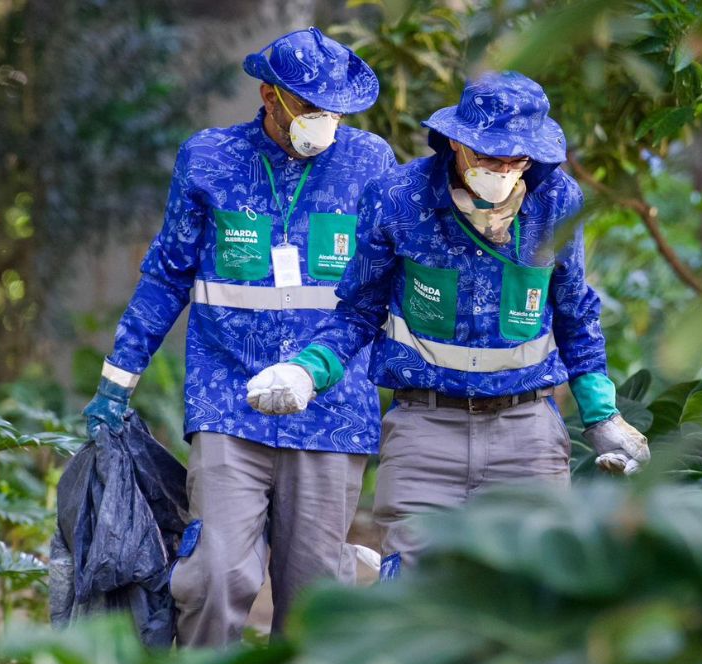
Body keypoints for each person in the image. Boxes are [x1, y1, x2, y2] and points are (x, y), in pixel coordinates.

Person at [246, 72, 650, 568]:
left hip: (525, 431)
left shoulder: (556, 201)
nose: (502, 170)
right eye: (487, 156)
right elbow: (358, 312)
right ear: (457, 142)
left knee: (529, 594)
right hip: (425, 429)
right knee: (416, 592)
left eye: (515, 159)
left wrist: (601, 415)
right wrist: (306, 370)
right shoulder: (398, 198)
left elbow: (575, 314)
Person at [82, 27, 395, 646]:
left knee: (314, 599)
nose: (322, 123)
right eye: (308, 108)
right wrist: (117, 379)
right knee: (214, 577)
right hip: (229, 401)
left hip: (330, 411)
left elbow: (386, 286)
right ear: (269, 96)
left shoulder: (370, 162)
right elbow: (166, 274)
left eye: (333, 111)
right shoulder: (210, 159)